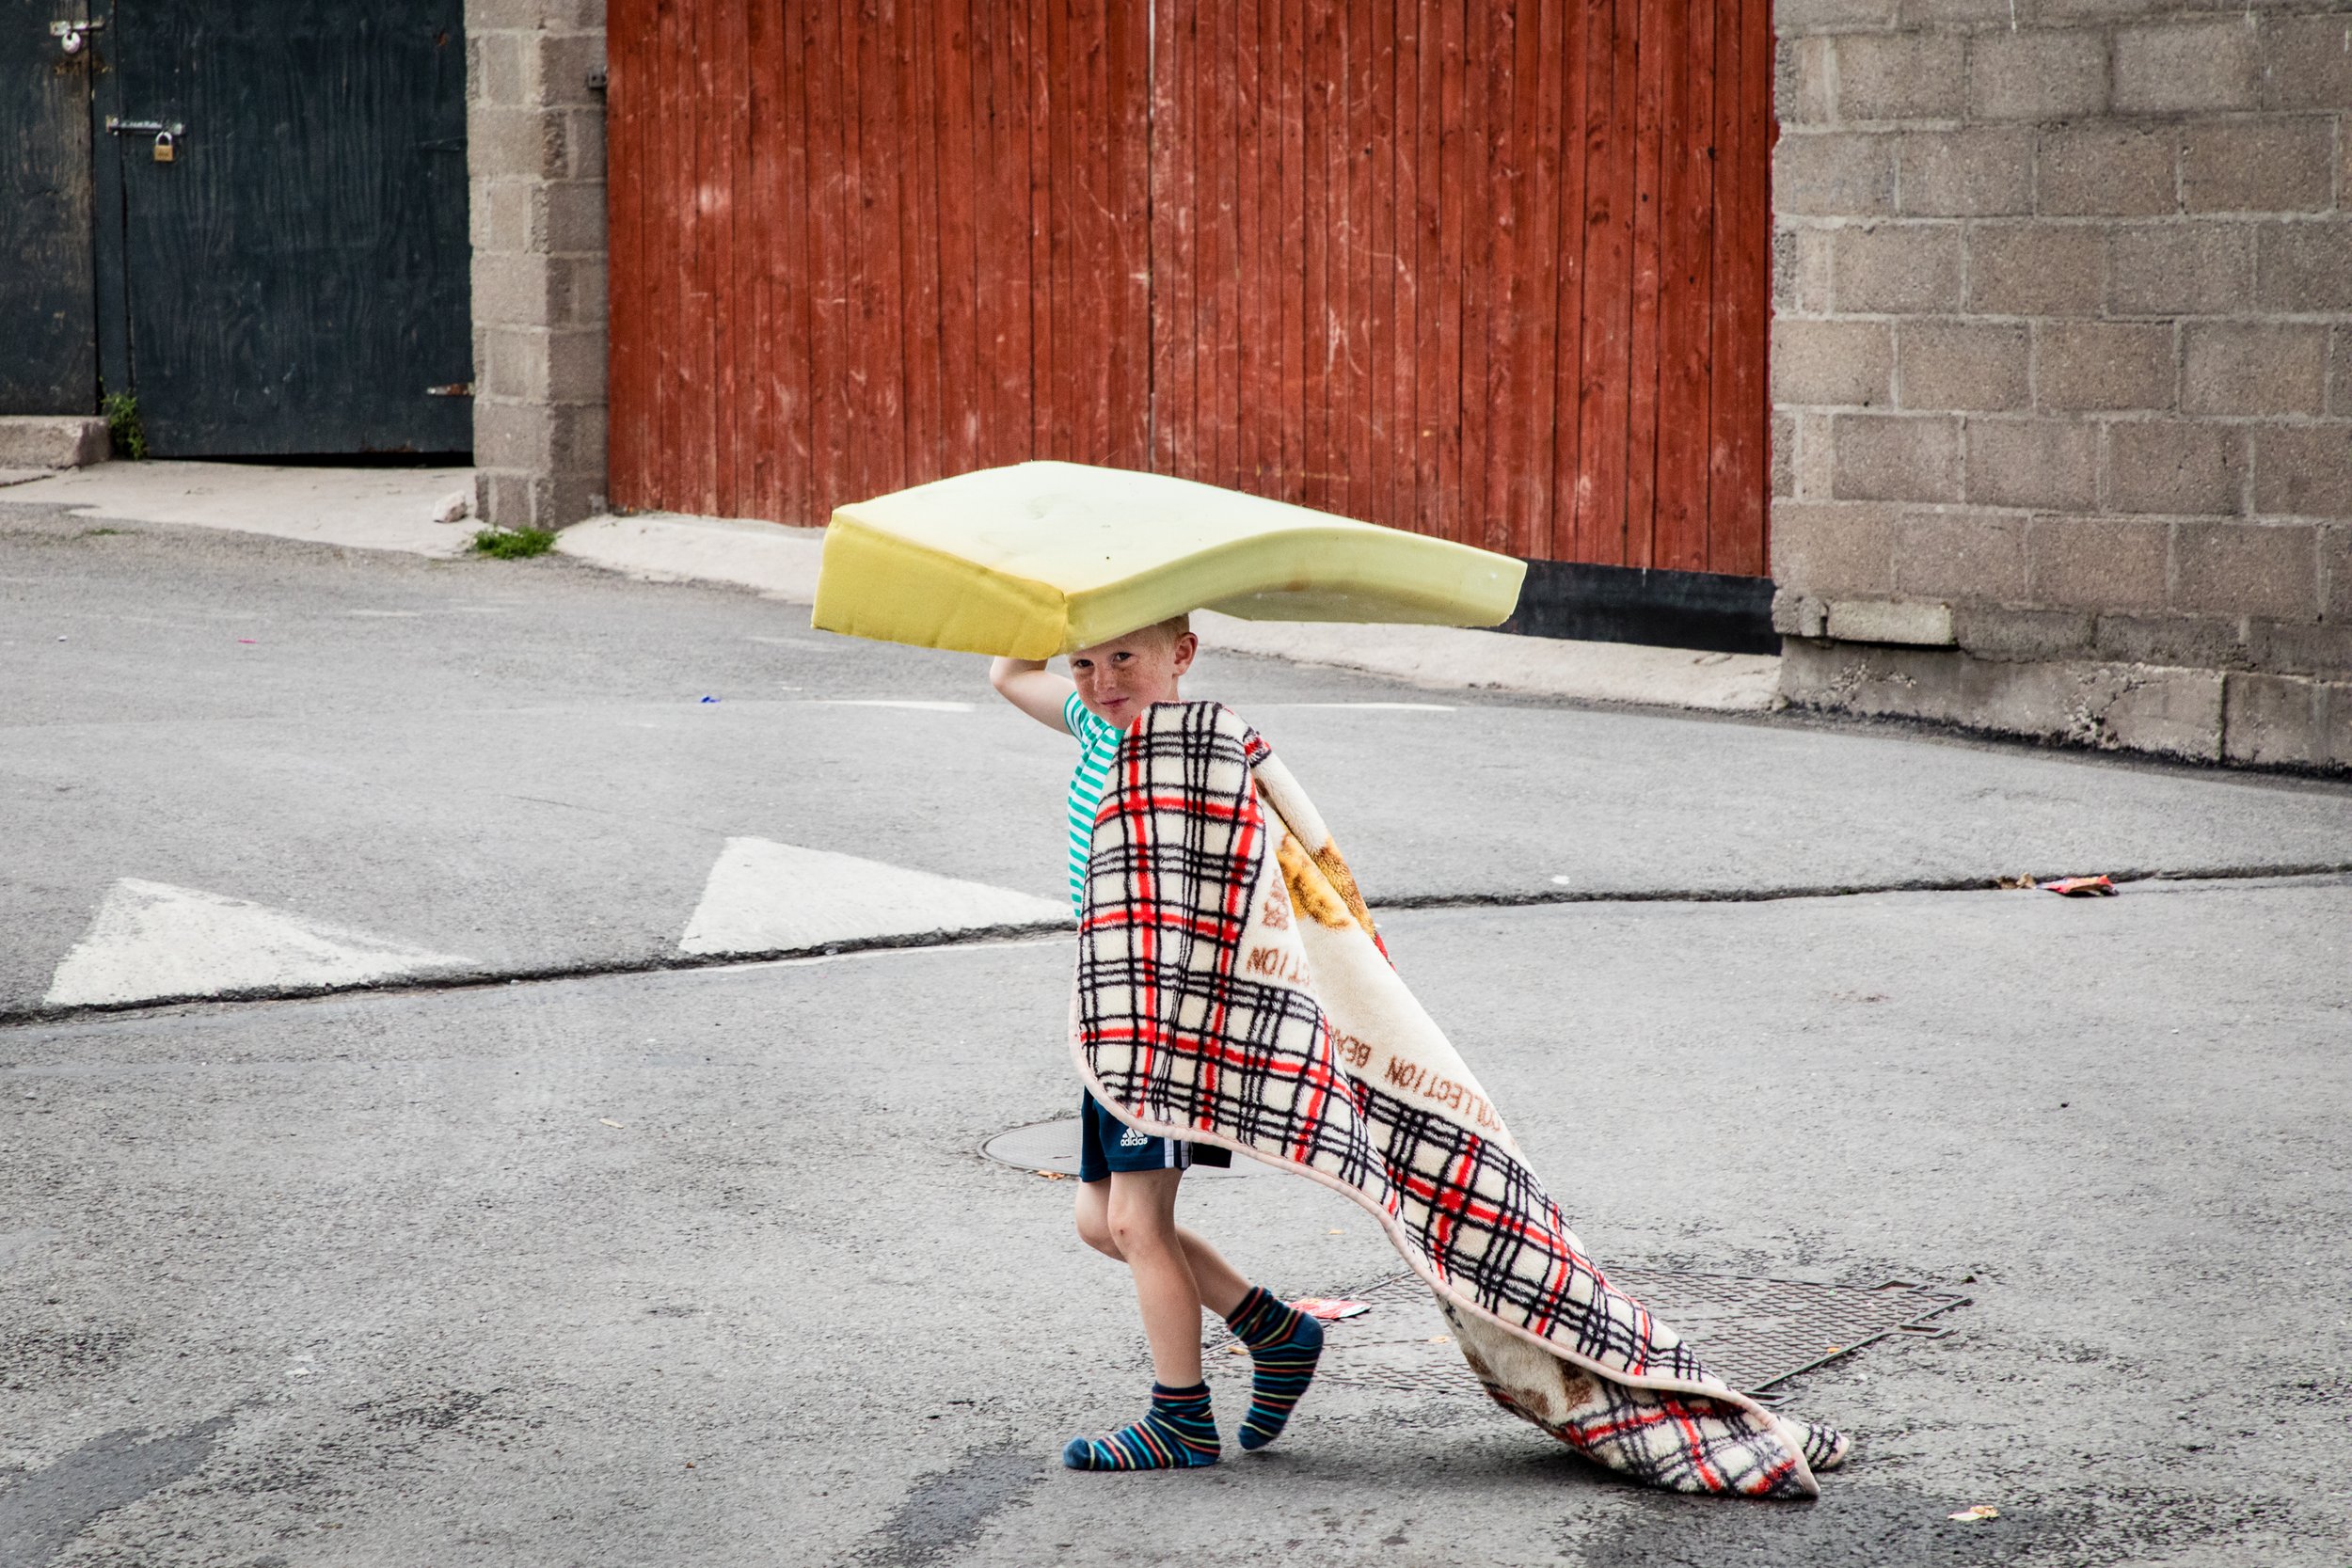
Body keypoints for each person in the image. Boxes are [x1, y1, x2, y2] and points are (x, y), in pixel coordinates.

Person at [990, 615, 1326, 1472]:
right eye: (1084, 662)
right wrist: (1029, 595)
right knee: (1100, 1221)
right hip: (1112, 1012)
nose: (1102, 680)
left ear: (1182, 653)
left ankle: (1179, 1416)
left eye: (1124, 658)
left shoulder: (1195, 748)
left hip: (1167, 1021)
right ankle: (1276, 1332)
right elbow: (1006, 673)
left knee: (1139, 1218)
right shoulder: (1097, 725)